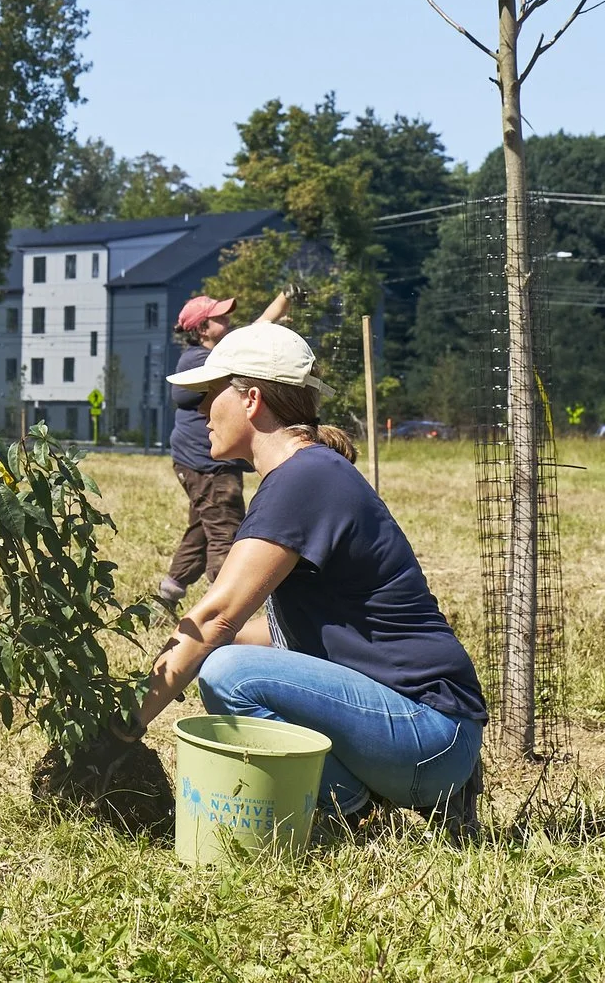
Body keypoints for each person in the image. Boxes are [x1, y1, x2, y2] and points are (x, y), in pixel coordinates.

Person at [129, 321, 485, 833]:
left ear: (251, 399)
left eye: (210, 395)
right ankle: (361, 807)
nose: (202, 412)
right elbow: (268, 633)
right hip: (428, 736)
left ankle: (351, 815)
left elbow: (216, 616)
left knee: (230, 674)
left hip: (429, 732)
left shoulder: (304, 479)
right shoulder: (302, 476)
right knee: (226, 660)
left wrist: (125, 726)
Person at [157, 290, 289, 609]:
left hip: (201, 462)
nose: (227, 319)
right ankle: (224, 610)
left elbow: (251, 335)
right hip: (207, 464)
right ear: (202, 329)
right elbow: (249, 341)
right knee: (226, 534)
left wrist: (280, 305)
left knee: (204, 529)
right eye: (219, 317)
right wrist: (278, 309)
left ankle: (167, 596)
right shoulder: (203, 360)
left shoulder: (212, 355)